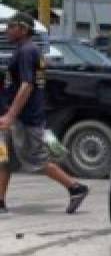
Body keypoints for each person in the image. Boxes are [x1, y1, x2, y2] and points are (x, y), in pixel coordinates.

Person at [0, 12, 88, 216]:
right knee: (4, 159)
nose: (7, 31)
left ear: (23, 29)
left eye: (11, 27)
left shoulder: (26, 51)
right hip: (19, 117)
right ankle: (0, 202)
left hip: (24, 119)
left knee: (36, 160)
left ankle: (75, 187)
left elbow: (27, 85)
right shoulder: (29, 51)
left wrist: (11, 115)